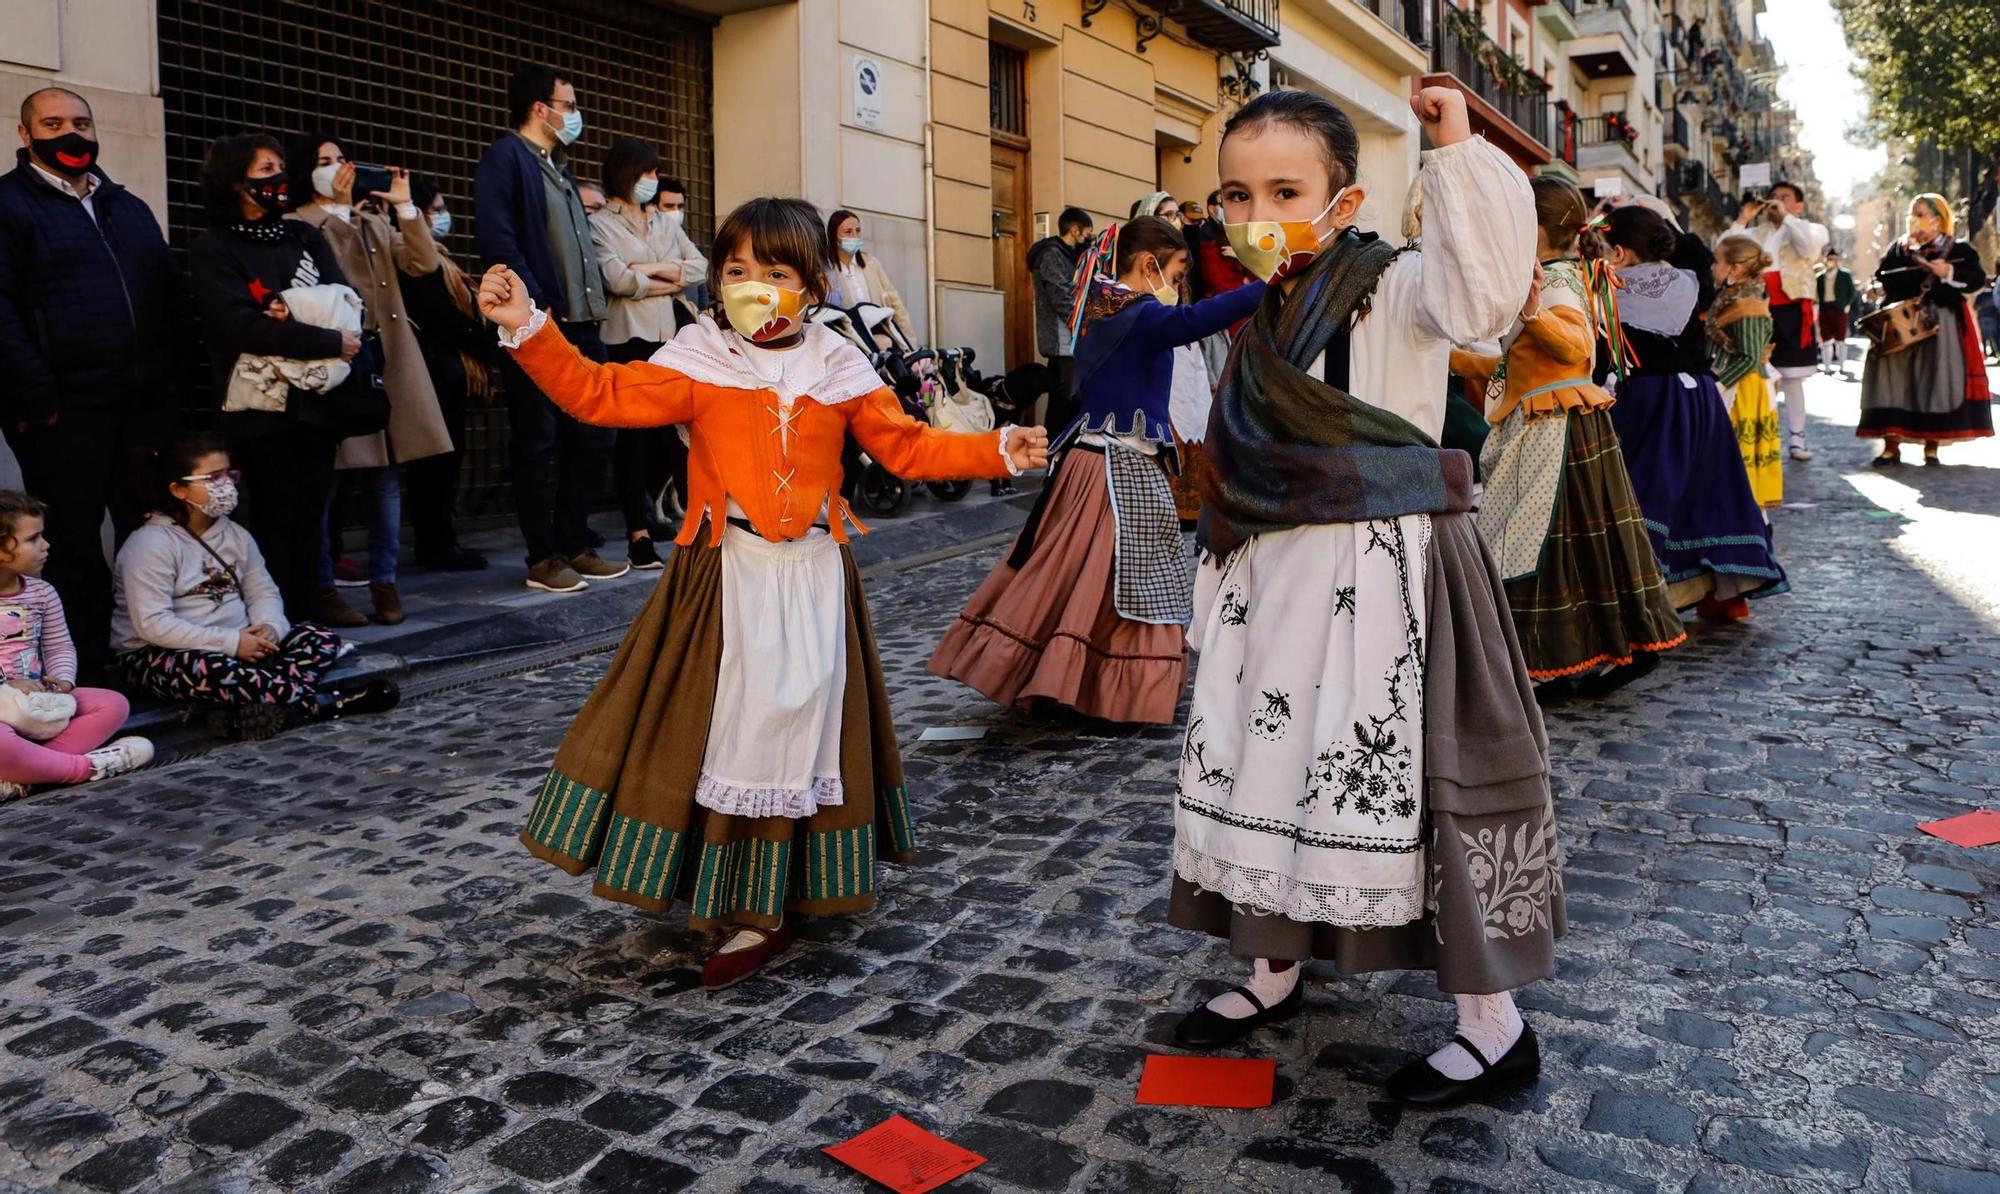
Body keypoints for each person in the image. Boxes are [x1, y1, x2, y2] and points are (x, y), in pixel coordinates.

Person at [480, 198, 1048, 988]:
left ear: (812, 284)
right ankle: (732, 900)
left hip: (815, 574)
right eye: (737, 271)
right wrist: (530, 328)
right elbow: (601, 394)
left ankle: (781, 899)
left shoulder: (840, 364)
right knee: (724, 734)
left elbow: (907, 449)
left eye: (775, 273)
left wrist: (998, 448)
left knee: (802, 729)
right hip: (723, 575)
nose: (753, 287)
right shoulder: (702, 357)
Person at [1166, 87, 1560, 1111]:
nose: (1256, 213)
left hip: (1384, 577)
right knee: (1271, 766)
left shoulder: (1395, 286)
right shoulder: (1265, 310)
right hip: (1275, 577)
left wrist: (1454, 145)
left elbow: (1482, 300)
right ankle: (1272, 968)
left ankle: (1492, 1027)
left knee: (1415, 785)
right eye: (1236, 193)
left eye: (1285, 190)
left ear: (1341, 202)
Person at [928, 218, 1263, 726]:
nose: (1177, 283)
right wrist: (1272, 282)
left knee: (1084, 576)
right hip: (1114, 464)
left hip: (1098, 461)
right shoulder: (1138, 312)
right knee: (1119, 574)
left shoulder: (1107, 310)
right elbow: (1196, 320)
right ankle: (1097, 687)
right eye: (1175, 270)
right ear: (1149, 264)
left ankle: (1070, 680)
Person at [1451, 177, 1684, 693]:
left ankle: (1548, 662)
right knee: (1581, 547)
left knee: (1528, 544)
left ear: (1537, 228)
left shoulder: (1551, 282)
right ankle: (1600, 652)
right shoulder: (1559, 273)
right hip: (1556, 422)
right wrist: (1445, 356)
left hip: (1553, 429)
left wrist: (1532, 312)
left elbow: (1574, 343)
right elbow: (1520, 361)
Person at [0, 87, 192, 681]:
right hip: (62, 410)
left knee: (148, 530)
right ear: (27, 135)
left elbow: (169, 293)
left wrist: (171, 381)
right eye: (53, 123)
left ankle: (148, 650)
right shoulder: (7, 205)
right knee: (72, 540)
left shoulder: (125, 206)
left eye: (81, 122)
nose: (72, 134)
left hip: (140, 405)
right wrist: (39, 396)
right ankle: (82, 663)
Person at [111, 435, 400, 740]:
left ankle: (245, 707)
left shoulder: (236, 535)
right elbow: (153, 624)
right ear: (178, 489)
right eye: (213, 477)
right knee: (214, 670)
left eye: (229, 475)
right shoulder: (149, 544)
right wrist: (231, 642)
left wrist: (269, 628)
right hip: (165, 654)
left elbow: (262, 591)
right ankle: (320, 703)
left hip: (244, 645)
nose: (226, 484)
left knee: (318, 638)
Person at [187, 134, 360, 621]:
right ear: (234, 180)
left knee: (311, 516)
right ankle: (272, 619)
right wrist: (322, 338)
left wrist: (292, 317)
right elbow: (239, 326)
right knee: (272, 516)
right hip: (260, 409)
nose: (278, 179)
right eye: (265, 171)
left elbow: (342, 301)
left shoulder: (303, 235)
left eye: (280, 167)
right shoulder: (214, 247)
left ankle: (306, 617)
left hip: (318, 403)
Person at [289, 133, 454, 628]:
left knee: (386, 475)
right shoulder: (298, 224)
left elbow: (423, 263)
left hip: (389, 357)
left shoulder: (373, 220)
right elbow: (324, 270)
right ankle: (322, 586)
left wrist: (406, 210)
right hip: (338, 359)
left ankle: (385, 581)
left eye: (341, 159)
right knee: (328, 478)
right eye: (324, 161)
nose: (337, 167)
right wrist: (337, 211)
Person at [474, 64, 624, 593]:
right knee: (538, 440)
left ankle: (576, 542)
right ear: (541, 108)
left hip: (582, 325)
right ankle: (544, 557)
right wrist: (538, 306)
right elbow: (498, 239)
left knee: (592, 436)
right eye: (569, 104)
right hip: (540, 324)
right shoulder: (507, 159)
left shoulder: (559, 168)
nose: (574, 114)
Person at [1600, 206, 1787, 619]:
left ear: (1619, 251)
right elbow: (1699, 253)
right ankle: (1724, 593)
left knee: (1648, 494)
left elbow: (1602, 356)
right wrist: (1665, 220)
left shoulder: (1608, 290)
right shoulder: (1689, 279)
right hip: (1700, 397)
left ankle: (1645, 601)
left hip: (1649, 399)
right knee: (1711, 490)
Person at [590, 138, 706, 571]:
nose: (654, 183)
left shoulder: (663, 221)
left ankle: (695, 521)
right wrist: (665, 276)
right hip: (627, 339)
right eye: (649, 174)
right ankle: (638, 536)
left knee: (678, 432)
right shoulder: (602, 223)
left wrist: (646, 272)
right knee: (632, 441)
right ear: (628, 174)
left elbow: (697, 268)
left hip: (667, 336)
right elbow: (616, 279)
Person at [0, 491, 151, 801]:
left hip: (39, 704)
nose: (46, 545)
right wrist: (8, 686)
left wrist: (63, 680)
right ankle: (82, 768)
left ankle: (26, 771)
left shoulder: (42, 593)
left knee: (112, 704)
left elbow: (58, 646)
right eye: (33, 539)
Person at [1856, 193, 1992, 465]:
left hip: (1940, 323)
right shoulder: (1898, 249)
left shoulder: (1959, 251)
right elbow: (1885, 280)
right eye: (1912, 214)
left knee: (1935, 380)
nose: (1914, 220)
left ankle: (1932, 446)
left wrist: (1947, 273)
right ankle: (1891, 445)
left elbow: (1976, 280)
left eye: (1921, 214)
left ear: (1939, 220)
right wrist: (1876, 291)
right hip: (1898, 324)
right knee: (1890, 381)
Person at [402, 177, 491, 572]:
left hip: (447, 374)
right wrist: (489, 345)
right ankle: (435, 544)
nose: (442, 217)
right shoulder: (411, 260)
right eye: (434, 209)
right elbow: (442, 316)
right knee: (433, 466)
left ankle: (441, 540)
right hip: (430, 375)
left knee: (445, 463)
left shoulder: (440, 257)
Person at [1726, 182, 1828, 461]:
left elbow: (1807, 248)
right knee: (1756, 374)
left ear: (1798, 205)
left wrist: (1787, 218)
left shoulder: (1811, 229)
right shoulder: (1755, 233)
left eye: (1785, 198)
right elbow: (1726, 249)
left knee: (1793, 379)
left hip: (1792, 310)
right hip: (1759, 309)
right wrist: (1744, 217)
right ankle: (1756, 437)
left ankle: (1797, 438)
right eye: (1774, 198)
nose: (1777, 202)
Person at [1709, 234, 1783, 508]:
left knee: (1739, 457)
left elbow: (1750, 357)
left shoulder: (1747, 303)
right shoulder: (1738, 293)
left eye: (1717, 261)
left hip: (1744, 388)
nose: (1713, 267)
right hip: (1741, 384)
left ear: (1734, 268)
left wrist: (1718, 385)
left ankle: (1751, 522)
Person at [1027, 207, 1093, 431]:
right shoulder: (1052, 255)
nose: (1088, 238)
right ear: (1075, 230)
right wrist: (1083, 324)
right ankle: (1057, 452)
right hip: (1063, 340)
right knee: (1066, 400)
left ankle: (1057, 452)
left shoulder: (1068, 255)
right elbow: (1061, 296)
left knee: (1064, 397)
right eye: (1086, 233)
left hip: (1069, 340)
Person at [823, 209, 914, 340]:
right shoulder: (828, 270)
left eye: (858, 230)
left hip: (880, 330)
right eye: (848, 232)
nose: (855, 236)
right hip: (851, 335)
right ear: (834, 236)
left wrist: (909, 340)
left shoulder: (871, 263)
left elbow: (894, 301)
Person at [653, 178, 707, 309]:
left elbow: (701, 281)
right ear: (654, 207)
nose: (676, 212)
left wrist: (700, 314)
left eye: (680, 207)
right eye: (669, 206)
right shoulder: (642, 242)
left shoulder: (684, 240)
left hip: (689, 319)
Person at [1816, 249, 1857, 378]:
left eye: (1833, 259)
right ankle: (1827, 367)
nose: (1831, 262)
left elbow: (1852, 291)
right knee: (1826, 339)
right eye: (1829, 260)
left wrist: (1847, 305)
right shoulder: (1820, 277)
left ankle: (1842, 366)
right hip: (1825, 308)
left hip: (1839, 308)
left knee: (1840, 338)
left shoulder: (1844, 275)